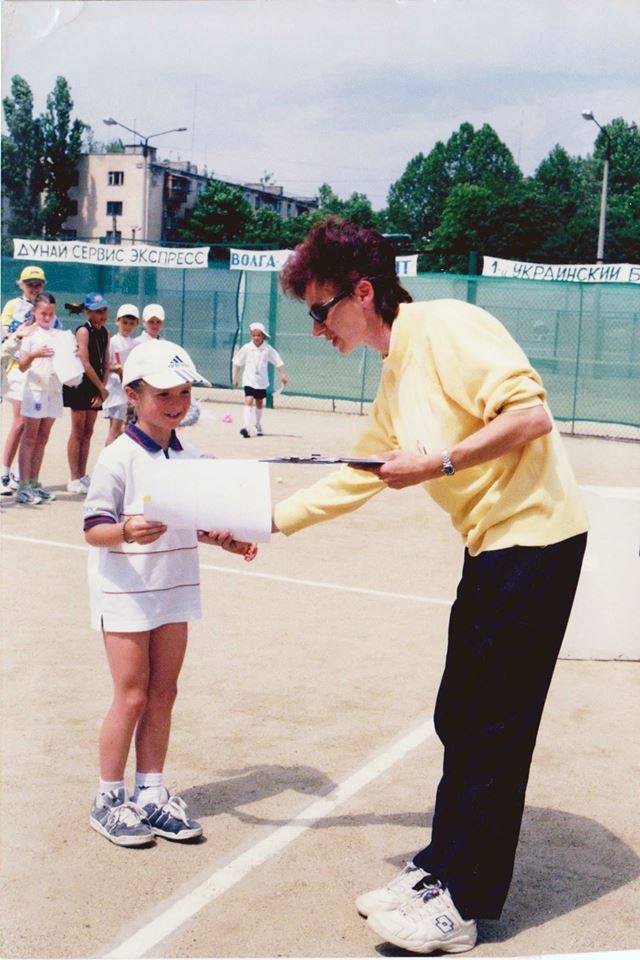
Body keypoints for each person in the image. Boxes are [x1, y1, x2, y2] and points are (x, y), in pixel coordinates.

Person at [274, 219, 588, 955]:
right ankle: (440, 868)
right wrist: (265, 524)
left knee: (493, 727)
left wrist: (439, 463)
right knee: (460, 714)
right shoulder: (395, 374)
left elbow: (531, 415)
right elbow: (357, 477)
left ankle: (465, 906)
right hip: (493, 548)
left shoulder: (447, 327)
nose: (316, 328)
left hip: (537, 541)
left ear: (362, 291)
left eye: (321, 311)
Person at [83, 338, 258, 846]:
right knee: (132, 693)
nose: (176, 402)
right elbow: (93, 528)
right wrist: (126, 530)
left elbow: (197, 523)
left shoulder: (193, 456)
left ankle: (151, 793)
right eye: (163, 393)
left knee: (165, 692)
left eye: (183, 391)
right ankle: (109, 799)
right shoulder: (118, 457)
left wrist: (230, 539)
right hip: (126, 591)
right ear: (133, 395)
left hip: (175, 587)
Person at [1, 265, 54, 494]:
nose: (34, 288)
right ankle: (3, 472)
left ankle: (22, 477)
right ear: (21, 285)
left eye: (38, 284)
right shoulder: (13, 305)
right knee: (20, 422)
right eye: (29, 284)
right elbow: (6, 335)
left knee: (33, 428)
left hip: (37, 372)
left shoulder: (46, 308)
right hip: (16, 368)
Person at [15, 293, 63, 504]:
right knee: (30, 437)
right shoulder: (30, 334)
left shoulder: (58, 334)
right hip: (34, 389)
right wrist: (35, 354)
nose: (47, 317)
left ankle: (34, 482)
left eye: (51, 314)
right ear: (34, 312)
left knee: (43, 437)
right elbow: (23, 365)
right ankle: (23, 486)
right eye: (43, 313)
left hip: (53, 390)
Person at [63, 293, 110, 494]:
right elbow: (85, 362)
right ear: (88, 312)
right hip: (81, 384)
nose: (102, 315)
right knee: (78, 430)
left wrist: (102, 389)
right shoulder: (83, 331)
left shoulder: (105, 332)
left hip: (97, 386)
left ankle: (82, 476)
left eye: (104, 310)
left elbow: (106, 362)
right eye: (98, 311)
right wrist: (101, 387)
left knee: (88, 432)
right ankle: (74, 477)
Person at [232, 321, 287, 437]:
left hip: (261, 381)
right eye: (253, 335)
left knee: (259, 402)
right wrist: (235, 377)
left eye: (258, 335)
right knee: (248, 399)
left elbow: (278, 361)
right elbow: (237, 362)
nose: (256, 338)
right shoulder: (247, 348)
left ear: (263, 336)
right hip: (249, 379)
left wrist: (283, 375)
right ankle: (246, 426)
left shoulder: (267, 349)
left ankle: (257, 424)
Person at [103, 303, 140, 446]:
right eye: (124, 322)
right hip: (115, 391)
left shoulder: (135, 344)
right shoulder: (112, 342)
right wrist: (116, 368)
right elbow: (106, 365)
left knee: (122, 430)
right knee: (115, 429)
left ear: (136, 325)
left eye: (131, 323)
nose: (127, 326)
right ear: (117, 321)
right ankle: (107, 460)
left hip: (128, 390)